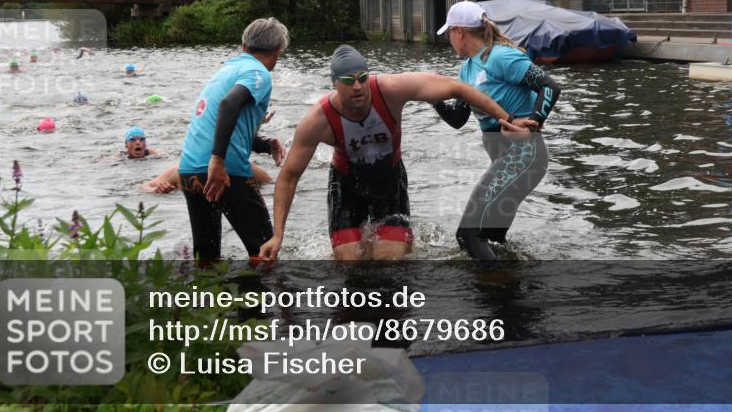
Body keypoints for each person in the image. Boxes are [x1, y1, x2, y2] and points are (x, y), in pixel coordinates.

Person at [257, 45, 533, 263]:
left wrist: (506, 119)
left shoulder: (390, 89)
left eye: (362, 78)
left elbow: (456, 87)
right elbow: (288, 178)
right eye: (348, 81)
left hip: (389, 181)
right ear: (334, 84)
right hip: (346, 186)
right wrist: (277, 235)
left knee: (390, 263)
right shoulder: (318, 120)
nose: (357, 87)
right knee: (350, 265)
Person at [432, 1, 562, 260]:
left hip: (524, 155)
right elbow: (458, 119)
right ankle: (507, 291)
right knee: (491, 238)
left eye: (449, 34)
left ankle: (495, 285)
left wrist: (533, 123)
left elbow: (549, 87)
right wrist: (432, 97)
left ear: (459, 31)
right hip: (506, 159)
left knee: (468, 234)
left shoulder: (500, 57)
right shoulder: (467, 70)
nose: (449, 41)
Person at [178, 17, 289, 260]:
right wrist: (217, 161)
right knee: (265, 251)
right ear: (278, 53)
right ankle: (266, 298)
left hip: (188, 170)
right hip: (224, 171)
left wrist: (264, 144)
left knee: (206, 258)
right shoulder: (259, 72)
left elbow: (225, 123)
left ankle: (206, 297)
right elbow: (229, 104)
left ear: (243, 46)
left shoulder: (227, 70)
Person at [141, 163, 272, 194]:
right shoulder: (182, 171)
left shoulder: (240, 167)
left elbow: (272, 184)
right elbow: (143, 187)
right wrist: (156, 190)